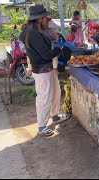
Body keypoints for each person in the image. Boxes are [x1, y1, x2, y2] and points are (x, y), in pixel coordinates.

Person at [19, 4, 70, 137]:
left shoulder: (33, 30)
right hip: (41, 70)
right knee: (44, 97)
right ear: (39, 18)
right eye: (44, 17)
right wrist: (59, 49)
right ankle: (42, 126)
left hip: (47, 68)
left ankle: (55, 116)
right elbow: (46, 54)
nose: (46, 19)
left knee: (56, 93)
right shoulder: (34, 33)